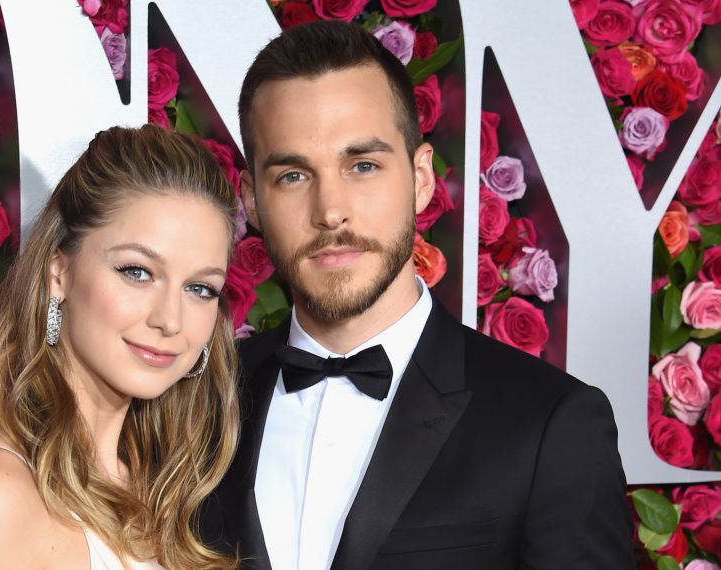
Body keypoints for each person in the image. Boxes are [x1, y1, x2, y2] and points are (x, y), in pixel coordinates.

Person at [202, 20, 634, 569]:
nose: (329, 210)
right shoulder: (200, 401)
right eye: (292, 175)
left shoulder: (550, 424)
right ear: (253, 200)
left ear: (421, 177)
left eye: (362, 166)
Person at [0, 125, 241, 570]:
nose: (170, 319)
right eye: (137, 272)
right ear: (59, 273)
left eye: (201, 288)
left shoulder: (153, 485)